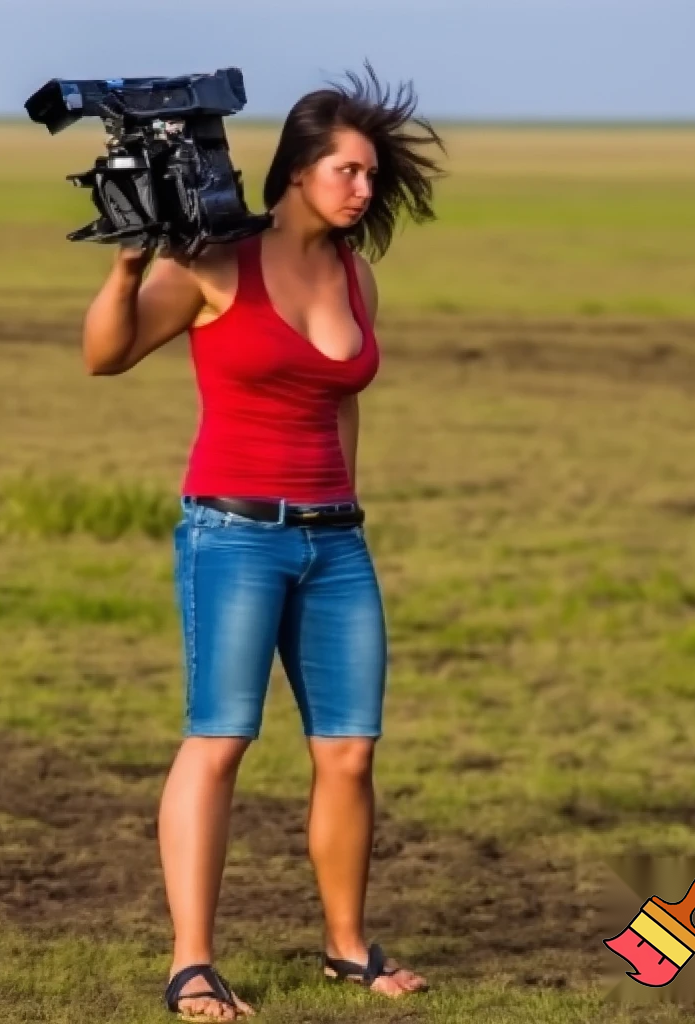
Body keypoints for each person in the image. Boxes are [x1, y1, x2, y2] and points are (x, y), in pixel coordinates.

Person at [81, 60, 444, 1022]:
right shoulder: (214, 261)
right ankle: (192, 966)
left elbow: (342, 398)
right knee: (220, 740)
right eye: (348, 171)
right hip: (234, 535)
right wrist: (127, 265)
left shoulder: (356, 275)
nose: (362, 188)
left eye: (371, 175)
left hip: (336, 544)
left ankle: (347, 949)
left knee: (350, 753)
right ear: (297, 171)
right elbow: (105, 356)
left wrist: (346, 505)